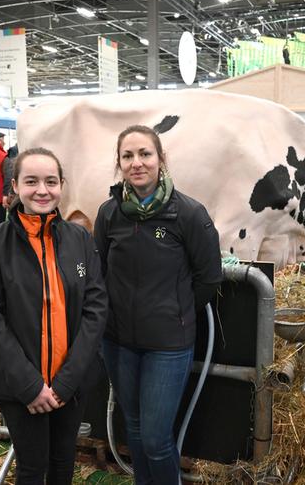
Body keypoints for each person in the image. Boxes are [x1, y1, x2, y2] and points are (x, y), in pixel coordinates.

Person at [0, 148, 107, 485]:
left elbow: (96, 307)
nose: (42, 190)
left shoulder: (79, 239)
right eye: (31, 181)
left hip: (69, 385)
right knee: (32, 468)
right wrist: (31, 386)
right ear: (14, 186)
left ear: (62, 185)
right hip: (20, 387)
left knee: (63, 463)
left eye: (50, 181)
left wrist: (66, 381)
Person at [94, 125, 222, 484]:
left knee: (155, 439)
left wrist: (176, 313)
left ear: (161, 159)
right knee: (134, 432)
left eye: (145, 154)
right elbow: (95, 268)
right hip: (118, 341)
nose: (137, 163)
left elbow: (209, 278)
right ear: (119, 164)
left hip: (167, 346)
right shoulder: (109, 214)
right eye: (128, 156)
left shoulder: (189, 215)